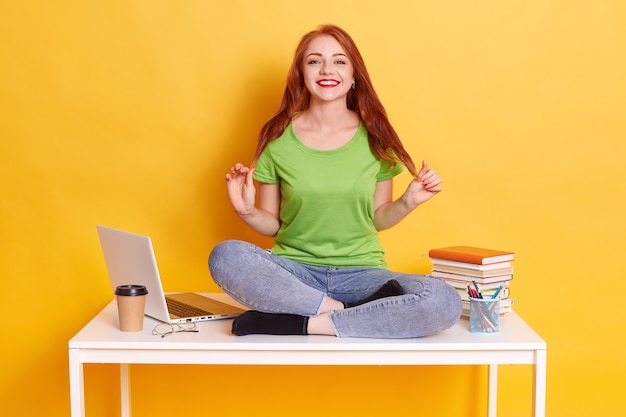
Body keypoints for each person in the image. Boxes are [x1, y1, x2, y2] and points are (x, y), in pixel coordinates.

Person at [208, 24, 461, 338]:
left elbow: (377, 218)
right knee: (225, 256)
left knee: (444, 301)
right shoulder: (278, 139)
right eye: (314, 61)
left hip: (364, 276)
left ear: (354, 75)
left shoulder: (376, 139)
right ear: (301, 74)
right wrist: (247, 210)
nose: (327, 69)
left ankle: (300, 324)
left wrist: (408, 201)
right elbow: (273, 224)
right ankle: (342, 313)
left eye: (339, 61)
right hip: (295, 274)